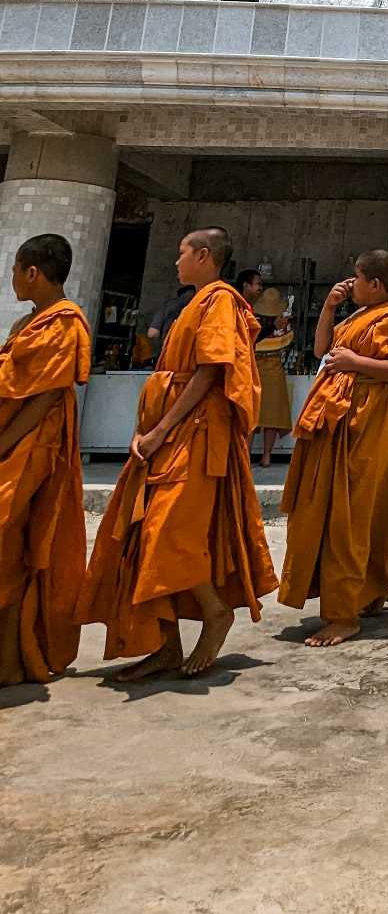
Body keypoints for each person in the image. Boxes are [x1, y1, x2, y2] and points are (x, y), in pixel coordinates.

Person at [78, 227, 277, 679]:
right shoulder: (196, 301)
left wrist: (162, 428)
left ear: (204, 256)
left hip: (196, 435)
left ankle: (216, 611)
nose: (175, 263)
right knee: (144, 535)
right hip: (167, 433)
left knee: (170, 534)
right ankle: (166, 646)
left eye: (181, 254)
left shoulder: (220, 300)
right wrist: (144, 429)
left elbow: (209, 372)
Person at [278, 249, 388, 648]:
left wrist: (357, 363)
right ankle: (374, 588)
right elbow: (322, 349)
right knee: (341, 508)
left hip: (372, 422)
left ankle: (344, 616)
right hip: (339, 420)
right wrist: (328, 306)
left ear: (376, 284)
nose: (352, 283)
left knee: (354, 511)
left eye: (357, 278)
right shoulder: (357, 316)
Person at [0, 234, 91, 686]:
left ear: (32, 272)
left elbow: (45, 397)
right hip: (14, 443)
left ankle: (14, 660)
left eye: (15, 269)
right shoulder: (27, 325)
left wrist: (4, 447)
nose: (13, 279)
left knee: (13, 548)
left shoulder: (64, 324)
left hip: (31, 448)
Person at [237, 270, 294, 467]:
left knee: (255, 415)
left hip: (255, 367)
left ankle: (246, 452)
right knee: (270, 416)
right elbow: (287, 346)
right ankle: (266, 455)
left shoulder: (254, 319)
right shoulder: (280, 325)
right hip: (273, 370)